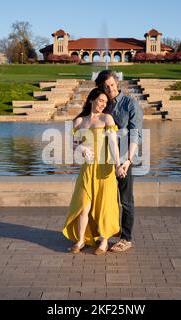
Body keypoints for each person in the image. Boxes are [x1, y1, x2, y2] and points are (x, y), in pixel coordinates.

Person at [62, 88, 123, 256]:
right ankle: (81, 240)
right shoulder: (79, 122)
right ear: (91, 100)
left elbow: (113, 144)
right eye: (100, 100)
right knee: (83, 206)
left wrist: (118, 165)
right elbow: (72, 145)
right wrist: (80, 147)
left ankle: (103, 241)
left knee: (104, 206)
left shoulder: (107, 119)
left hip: (105, 169)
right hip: (87, 170)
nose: (103, 104)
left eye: (105, 102)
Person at [95, 70, 143, 253]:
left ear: (117, 83)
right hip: (102, 158)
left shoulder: (130, 104)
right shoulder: (102, 103)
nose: (110, 89)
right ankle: (102, 234)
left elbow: (135, 135)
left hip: (124, 158)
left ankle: (126, 238)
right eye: (106, 86)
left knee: (125, 199)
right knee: (103, 197)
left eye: (112, 85)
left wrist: (128, 161)